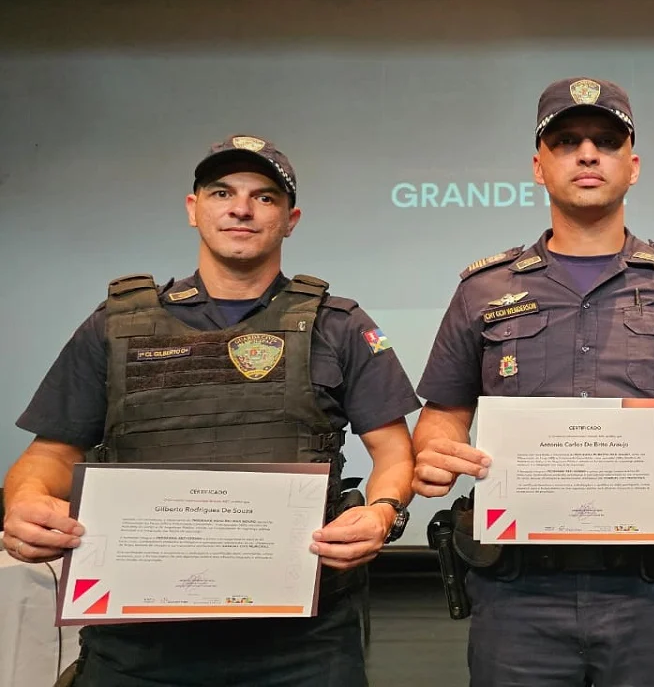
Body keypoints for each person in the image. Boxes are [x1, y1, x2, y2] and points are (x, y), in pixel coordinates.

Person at [2, 135, 420, 687]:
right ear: (193, 208)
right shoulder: (115, 324)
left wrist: (382, 511)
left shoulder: (338, 325)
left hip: (302, 644)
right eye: (222, 192)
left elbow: (394, 453)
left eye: (264, 197)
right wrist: (26, 500)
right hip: (137, 638)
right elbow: (50, 454)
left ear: (290, 219)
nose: (241, 208)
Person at [412, 77, 654, 687]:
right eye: (567, 141)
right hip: (519, 594)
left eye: (606, 140)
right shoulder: (483, 290)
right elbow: (443, 415)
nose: (588, 154)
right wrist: (435, 453)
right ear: (540, 167)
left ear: (633, 165)